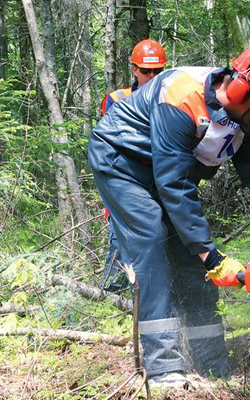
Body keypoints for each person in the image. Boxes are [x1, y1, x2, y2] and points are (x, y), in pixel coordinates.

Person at [88, 44, 250, 388]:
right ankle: (164, 368)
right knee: (153, 245)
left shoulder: (244, 118)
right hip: (124, 163)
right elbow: (175, 187)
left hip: (164, 172)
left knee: (191, 264)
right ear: (242, 88)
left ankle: (210, 363)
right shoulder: (182, 98)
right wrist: (210, 255)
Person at [99, 39, 168, 293]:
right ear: (134, 70)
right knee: (121, 245)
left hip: (160, 183)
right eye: (146, 70)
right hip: (126, 185)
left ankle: (151, 296)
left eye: (157, 71)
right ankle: (112, 299)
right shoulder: (118, 99)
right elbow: (115, 144)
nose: (151, 76)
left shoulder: (171, 100)